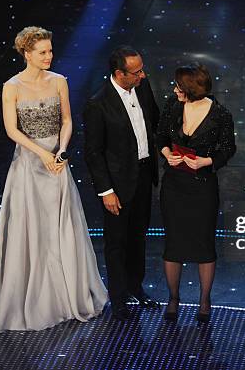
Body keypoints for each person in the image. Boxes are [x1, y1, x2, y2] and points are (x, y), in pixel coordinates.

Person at [0, 26, 107, 332]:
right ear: (26, 53)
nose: (49, 56)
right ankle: (29, 299)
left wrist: (61, 150)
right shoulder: (11, 86)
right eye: (42, 52)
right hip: (29, 166)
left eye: (51, 50)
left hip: (57, 164)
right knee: (31, 230)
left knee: (61, 228)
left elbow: (67, 120)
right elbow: (11, 130)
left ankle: (66, 296)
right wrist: (41, 154)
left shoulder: (59, 82)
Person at [83, 45, 160, 321]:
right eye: (137, 72)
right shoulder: (98, 103)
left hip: (143, 175)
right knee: (116, 242)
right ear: (119, 73)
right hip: (116, 184)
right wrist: (106, 191)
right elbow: (93, 152)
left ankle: (135, 287)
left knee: (138, 236)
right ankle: (118, 299)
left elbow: (154, 122)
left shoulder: (143, 86)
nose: (143, 75)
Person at [157, 63, 236, 323]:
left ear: (191, 88)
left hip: (202, 187)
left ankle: (204, 300)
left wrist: (205, 161)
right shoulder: (172, 106)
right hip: (174, 186)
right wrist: (167, 154)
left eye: (179, 86)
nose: (175, 90)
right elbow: (160, 137)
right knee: (174, 244)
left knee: (203, 245)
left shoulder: (220, 114)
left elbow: (227, 150)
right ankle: (173, 298)